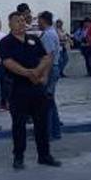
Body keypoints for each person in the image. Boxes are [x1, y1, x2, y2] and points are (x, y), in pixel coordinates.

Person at [0, 11, 60, 170]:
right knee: (19, 125)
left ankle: (44, 156)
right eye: (17, 21)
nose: (21, 23)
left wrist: (42, 74)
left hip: (37, 87)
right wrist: (28, 73)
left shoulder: (34, 39)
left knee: (42, 123)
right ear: (10, 24)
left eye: (23, 20)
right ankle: (18, 157)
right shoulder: (6, 42)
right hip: (18, 88)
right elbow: (8, 62)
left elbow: (46, 57)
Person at [38, 11, 63, 140]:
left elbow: (49, 57)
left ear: (43, 20)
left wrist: (45, 74)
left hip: (50, 69)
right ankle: (55, 131)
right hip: (54, 68)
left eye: (39, 20)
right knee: (50, 101)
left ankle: (47, 133)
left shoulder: (48, 35)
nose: (37, 23)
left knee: (46, 101)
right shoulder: (52, 32)